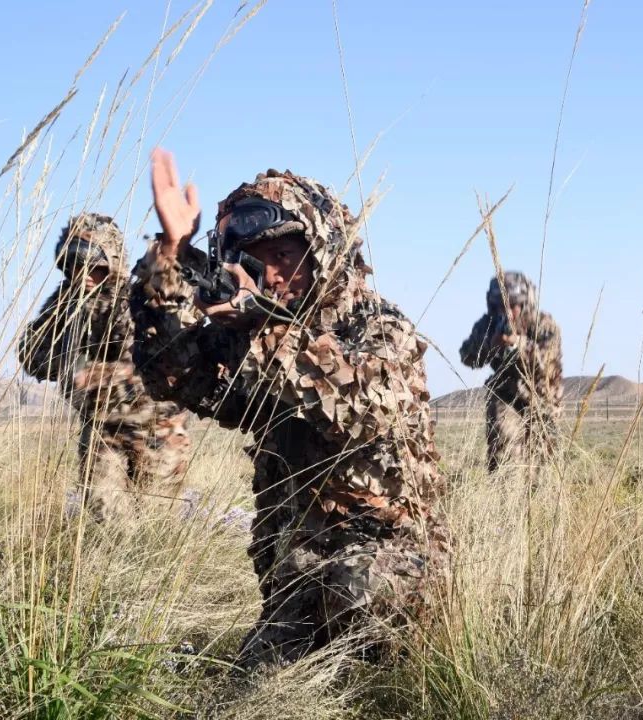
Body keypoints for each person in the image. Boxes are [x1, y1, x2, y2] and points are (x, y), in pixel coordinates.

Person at [131, 149, 448, 666]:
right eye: (255, 259)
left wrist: (259, 326)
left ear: (320, 245)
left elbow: (358, 405)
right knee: (258, 683)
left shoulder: (380, 328)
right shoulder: (255, 338)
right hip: (295, 583)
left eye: (282, 253)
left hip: (387, 575)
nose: (271, 274)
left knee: (357, 596)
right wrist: (169, 259)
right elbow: (171, 372)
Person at [18, 213, 192, 521]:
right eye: (73, 266)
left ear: (111, 263)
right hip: (101, 429)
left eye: (93, 266)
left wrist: (93, 374)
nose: (83, 275)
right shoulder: (64, 302)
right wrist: (68, 363)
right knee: (105, 518)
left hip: (157, 427)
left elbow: (153, 361)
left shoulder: (136, 297)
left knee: (157, 522)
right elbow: (31, 354)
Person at [459, 271, 563, 473]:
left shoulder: (544, 325)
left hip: (542, 397)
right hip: (505, 395)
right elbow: (466, 355)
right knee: (504, 458)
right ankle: (505, 500)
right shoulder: (488, 325)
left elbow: (546, 365)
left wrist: (518, 345)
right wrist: (489, 345)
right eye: (500, 307)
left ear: (524, 303)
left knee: (541, 464)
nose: (507, 313)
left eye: (513, 306)